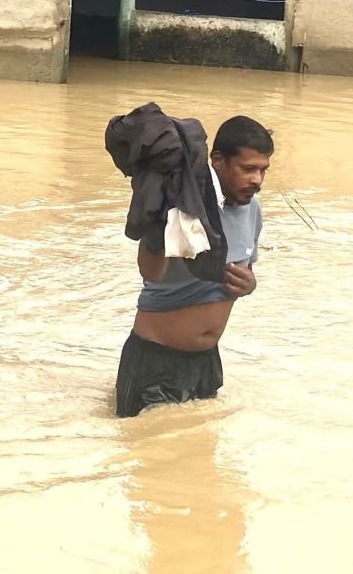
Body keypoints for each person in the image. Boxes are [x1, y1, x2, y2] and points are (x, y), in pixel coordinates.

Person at [115, 115, 273, 418]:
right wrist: (158, 226)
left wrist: (250, 285)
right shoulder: (181, 206)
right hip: (155, 361)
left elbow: (248, 270)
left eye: (263, 170)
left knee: (199, 461)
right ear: (218, 160)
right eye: (248, 169)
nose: (257, 180)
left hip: (207, 364)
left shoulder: (252, 210)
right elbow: (150, 272)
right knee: (147, 456)